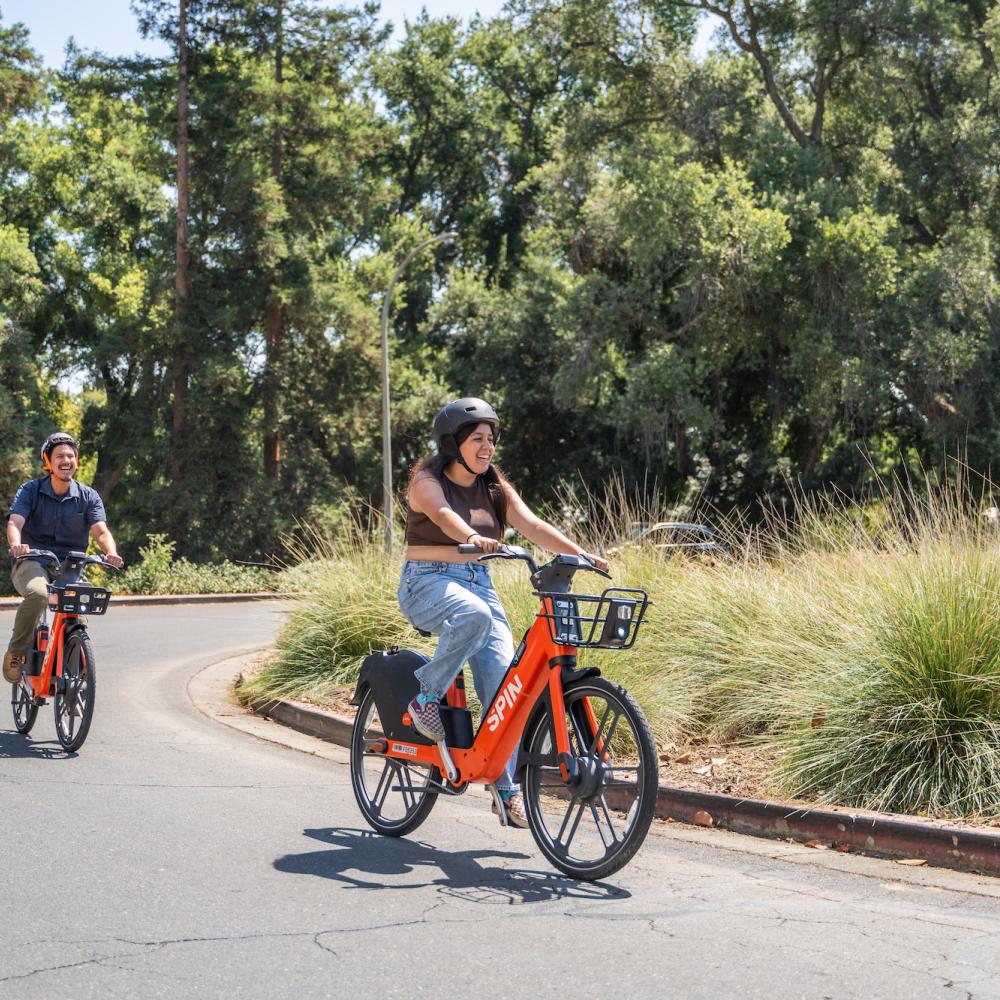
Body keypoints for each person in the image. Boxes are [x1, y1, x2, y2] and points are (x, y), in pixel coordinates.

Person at [398, 397, 608, 827]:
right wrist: (475, 537)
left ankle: (505, 787)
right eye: (477, 438)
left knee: (508, 689)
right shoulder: (427, 478)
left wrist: (581, 553)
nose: (487, 446)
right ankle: (426, 697)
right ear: (453, 443)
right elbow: (440, 513)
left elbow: (532, 525)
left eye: (491, 439)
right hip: (426, 581)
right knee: (473, 616)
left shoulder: (493, 485)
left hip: (478, 583)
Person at [3, 433, 123, 683]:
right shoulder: (31, 490)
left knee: (78, 613)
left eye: (70, 456)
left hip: (71, 566)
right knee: (38, 594)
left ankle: (75, 683)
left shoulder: (88, 496)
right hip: (32, 560)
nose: (66, 460)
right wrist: (17, 545)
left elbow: (101, 531)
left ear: (76, 461)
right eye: (60, 456)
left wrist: (110, 552)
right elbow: (15, 522)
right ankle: (16, 652)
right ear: (48, 461)